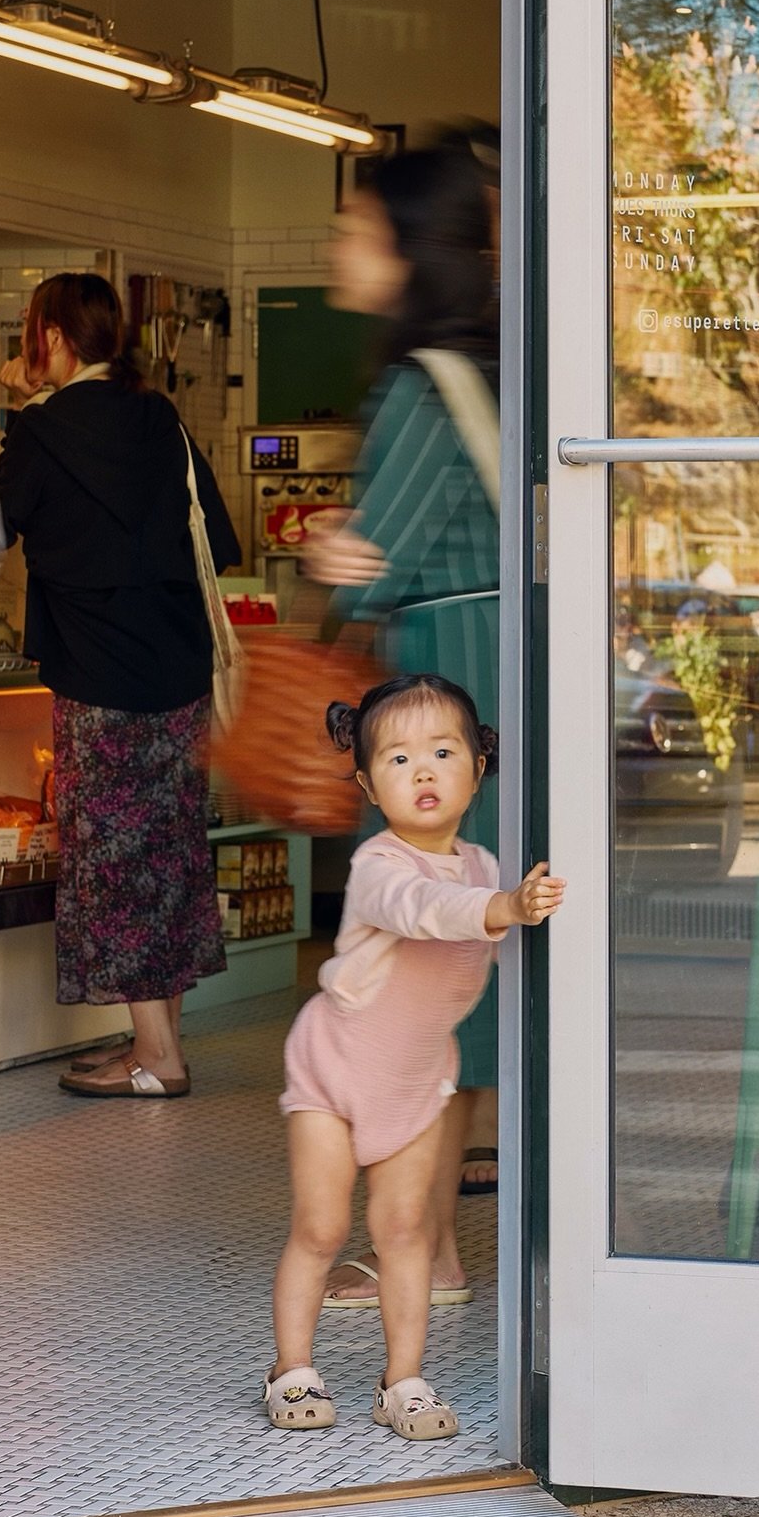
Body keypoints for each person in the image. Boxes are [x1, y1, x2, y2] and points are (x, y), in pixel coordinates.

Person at [305, 138, 503, 1308]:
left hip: (439, 707)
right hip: (482, 705)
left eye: (353, 226)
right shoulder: (479, 370)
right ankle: (432, 1248)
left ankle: (422, 1256)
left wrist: (335, 550)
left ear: (402, 246)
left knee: (417, 984)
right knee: (451, 977)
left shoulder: (421, 386)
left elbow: (381, 564)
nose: (337, 246)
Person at [264, 674, 563, 1438]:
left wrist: (519, 901)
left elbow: (500, 927)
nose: (423, 771)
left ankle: (403, 1380)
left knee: (407, 1234)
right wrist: (502, 908)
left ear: (478, 767)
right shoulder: (379, 866)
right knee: (322, 1228)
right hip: (332, 1068)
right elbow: (426, 913)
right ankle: (292, 1369)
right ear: (367, 783)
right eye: (398, 760)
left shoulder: (487, 866)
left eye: (441, 751)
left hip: (416, 1080)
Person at [0, 273, 240, 1097]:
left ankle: (157, 1059)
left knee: (112, 863)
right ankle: (152, 1042)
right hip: (177, 672)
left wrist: (18, 407)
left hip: (98, 680)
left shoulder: (43, 429)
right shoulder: (159, 416)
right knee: (167, 855)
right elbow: (219, 535)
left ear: (53, 339)